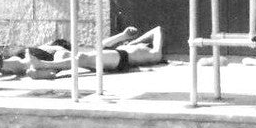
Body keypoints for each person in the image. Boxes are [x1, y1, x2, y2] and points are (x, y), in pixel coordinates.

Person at [25, 26, 164, 80]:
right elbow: (101, 45)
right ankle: (48, 72)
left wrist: (135, 42)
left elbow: (158, 30)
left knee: (82, 58)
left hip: (121, 58)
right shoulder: (135, 46)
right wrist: (125, 37)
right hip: (113, 54)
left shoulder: (150, 52)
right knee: (70, 56)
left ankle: (43, 65)